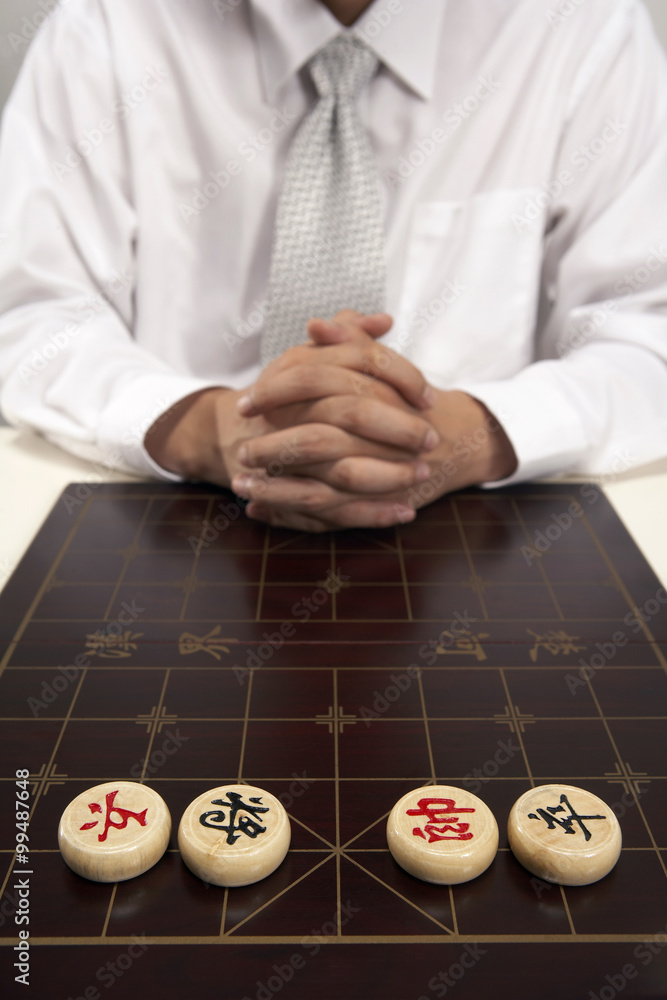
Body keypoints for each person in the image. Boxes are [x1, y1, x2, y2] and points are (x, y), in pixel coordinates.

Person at [0, 0, 666, 532]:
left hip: (488, 536)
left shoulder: (585, 25)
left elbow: (646, 334)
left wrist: (460, 437)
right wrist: (211, 428)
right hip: (165, 523)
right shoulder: (106, 23)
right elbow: (29, 314)